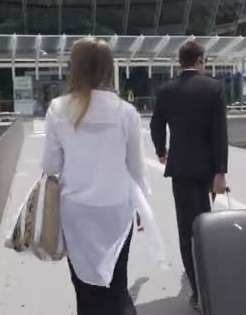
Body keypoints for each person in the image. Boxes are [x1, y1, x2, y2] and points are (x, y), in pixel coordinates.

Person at [41, 37, 159, 315]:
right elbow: (136, 168)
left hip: (75, 213)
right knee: (117, 286)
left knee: (84, 287)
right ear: (109, 68)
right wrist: (143, 209)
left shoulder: (58, 109)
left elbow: (49, 166)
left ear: (75, 67)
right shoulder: (126, 112)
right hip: (117, 210)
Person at [149, 40, 229, 311]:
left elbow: (156, 124)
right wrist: (220, 172)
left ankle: (198, 291)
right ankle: (211, 278)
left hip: (180, 168)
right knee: (205, 218)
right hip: (206, 168)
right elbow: (220, 134)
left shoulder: (166, 91)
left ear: (181, 62)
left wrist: (161, 151)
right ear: (200, 61)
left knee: (187, 227)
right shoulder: (214, 88)